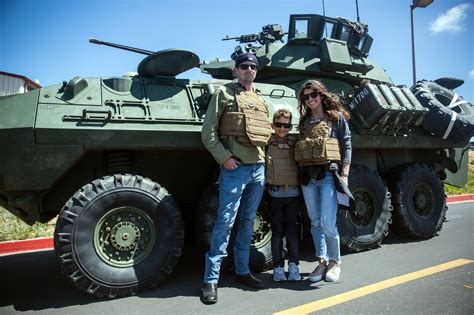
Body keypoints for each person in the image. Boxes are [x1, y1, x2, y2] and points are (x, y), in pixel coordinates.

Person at [200, 52, 272, 304]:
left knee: (248, 221)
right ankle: (211, 280)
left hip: (258, 168)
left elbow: (265, 133)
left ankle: (243, 271)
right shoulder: (224, 94)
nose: (249, 70)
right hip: (235, 169)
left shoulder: (261, 99)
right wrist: (224, 158)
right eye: (244, 66)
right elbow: (208, 132)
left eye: (253, 66)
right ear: (236, 70)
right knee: (225, 222)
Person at [295, 79, 352, 283]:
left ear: (321, 95)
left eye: (313, 95)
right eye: (306, 96)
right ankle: (322, 260)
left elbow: (346, 144)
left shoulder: (336, 119)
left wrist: (345, 171)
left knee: (328, 221)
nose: (310, 99)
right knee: (315, 221)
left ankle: (335, 262)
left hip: (328, 174)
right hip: (307, 177)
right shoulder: (304, 122)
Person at [265, 109, 302, 282]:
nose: (282, 128)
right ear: (273, 125)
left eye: (286, 125)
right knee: (277, 232)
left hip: (293, 194)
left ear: (290, 126)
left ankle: (293, 265)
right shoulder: (267, 143)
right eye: (278, 124)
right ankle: (278, 266)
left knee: (292, 232)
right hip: (275, 194)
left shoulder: (295, 143)